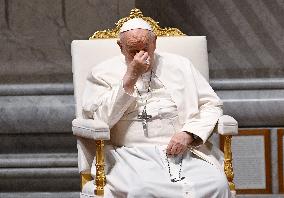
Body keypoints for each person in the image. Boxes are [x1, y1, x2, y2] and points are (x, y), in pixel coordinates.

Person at [82, 18, 231, 198]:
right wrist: (130, 77)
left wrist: (189, 134)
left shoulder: (181, 65)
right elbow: (100, 120)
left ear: (155, 43)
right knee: (143, 190)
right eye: (133, 51)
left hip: (183, 151)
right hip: (130, 155)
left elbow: (211, 105)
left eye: (145, 48)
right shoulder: (101, 73)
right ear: (120, 47)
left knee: (217, 185)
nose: (140, 56)